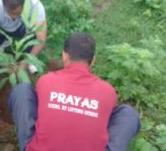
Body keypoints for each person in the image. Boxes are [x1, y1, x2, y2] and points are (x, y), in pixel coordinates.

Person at [8, 33, 141, 151]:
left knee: (22, 90)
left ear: (64, 55)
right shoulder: (108, 91)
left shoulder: (46, 81)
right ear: (93, 60)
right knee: (128, 114)